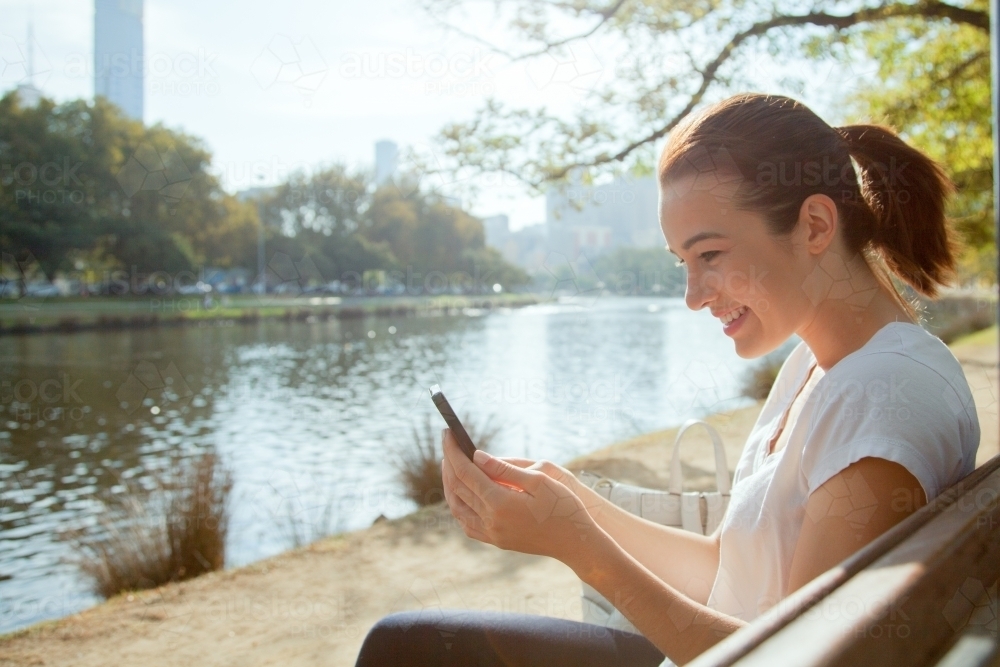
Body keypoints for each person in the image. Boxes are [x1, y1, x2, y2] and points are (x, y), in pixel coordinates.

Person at [353, 92, 981, 667]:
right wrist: (573, 503)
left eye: (711, 255)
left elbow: (798, 659)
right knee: (407, 643)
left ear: (816, 226)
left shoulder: (879, 400)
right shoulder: (824, 368)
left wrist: (577, 546)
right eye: (684, 262)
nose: (692, 295)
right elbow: (724, 566)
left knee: (405, 649)